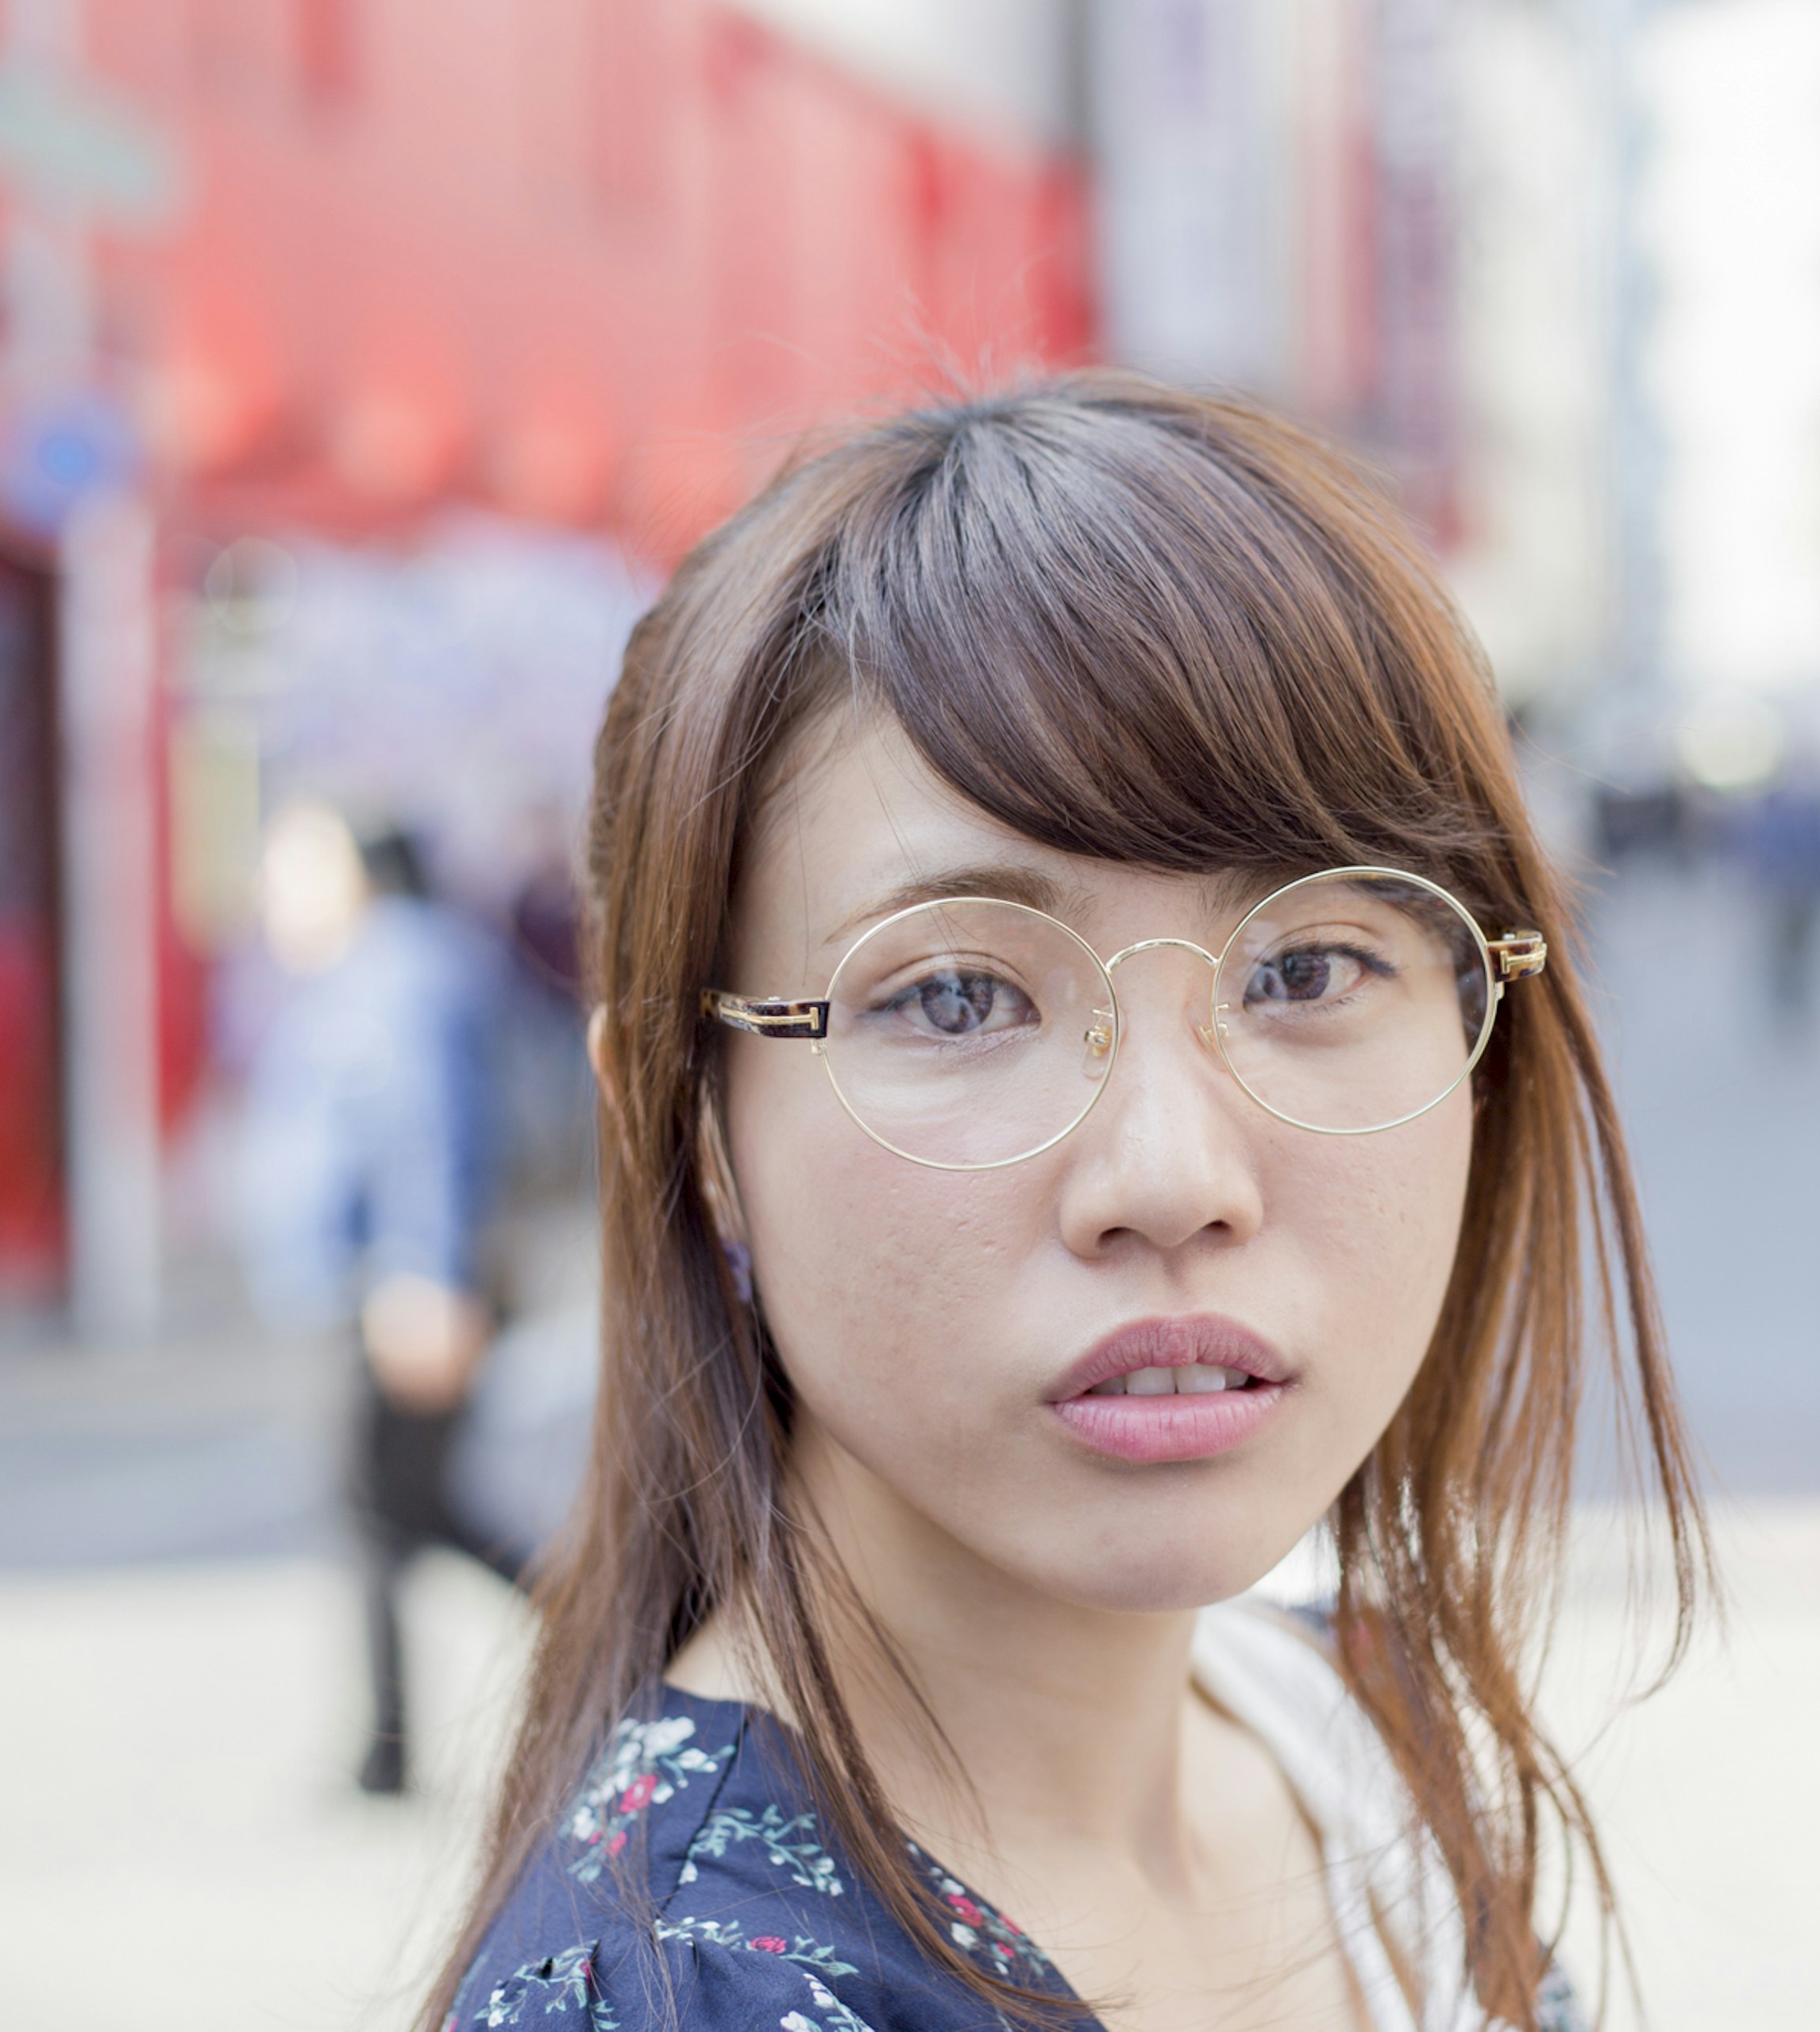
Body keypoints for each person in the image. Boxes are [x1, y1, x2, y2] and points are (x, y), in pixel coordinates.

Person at [428, 378, 1709, 2032]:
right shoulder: (677, 1996)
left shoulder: (1358, 1735)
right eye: (959, 996)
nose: (1174, 1174)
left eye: (1310, 966)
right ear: (686, 1120)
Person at [240, 799, 522, 1797]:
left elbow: (429, 1136)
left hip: (387, 1291)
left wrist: (426, 1280)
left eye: (290, 869)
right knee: (409, 1506)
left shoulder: (396, 973)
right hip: (366, 1286)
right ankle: (393, 1743)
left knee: (377, 1510)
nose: (273, 894)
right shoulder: (362, 970)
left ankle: (389, 1748)